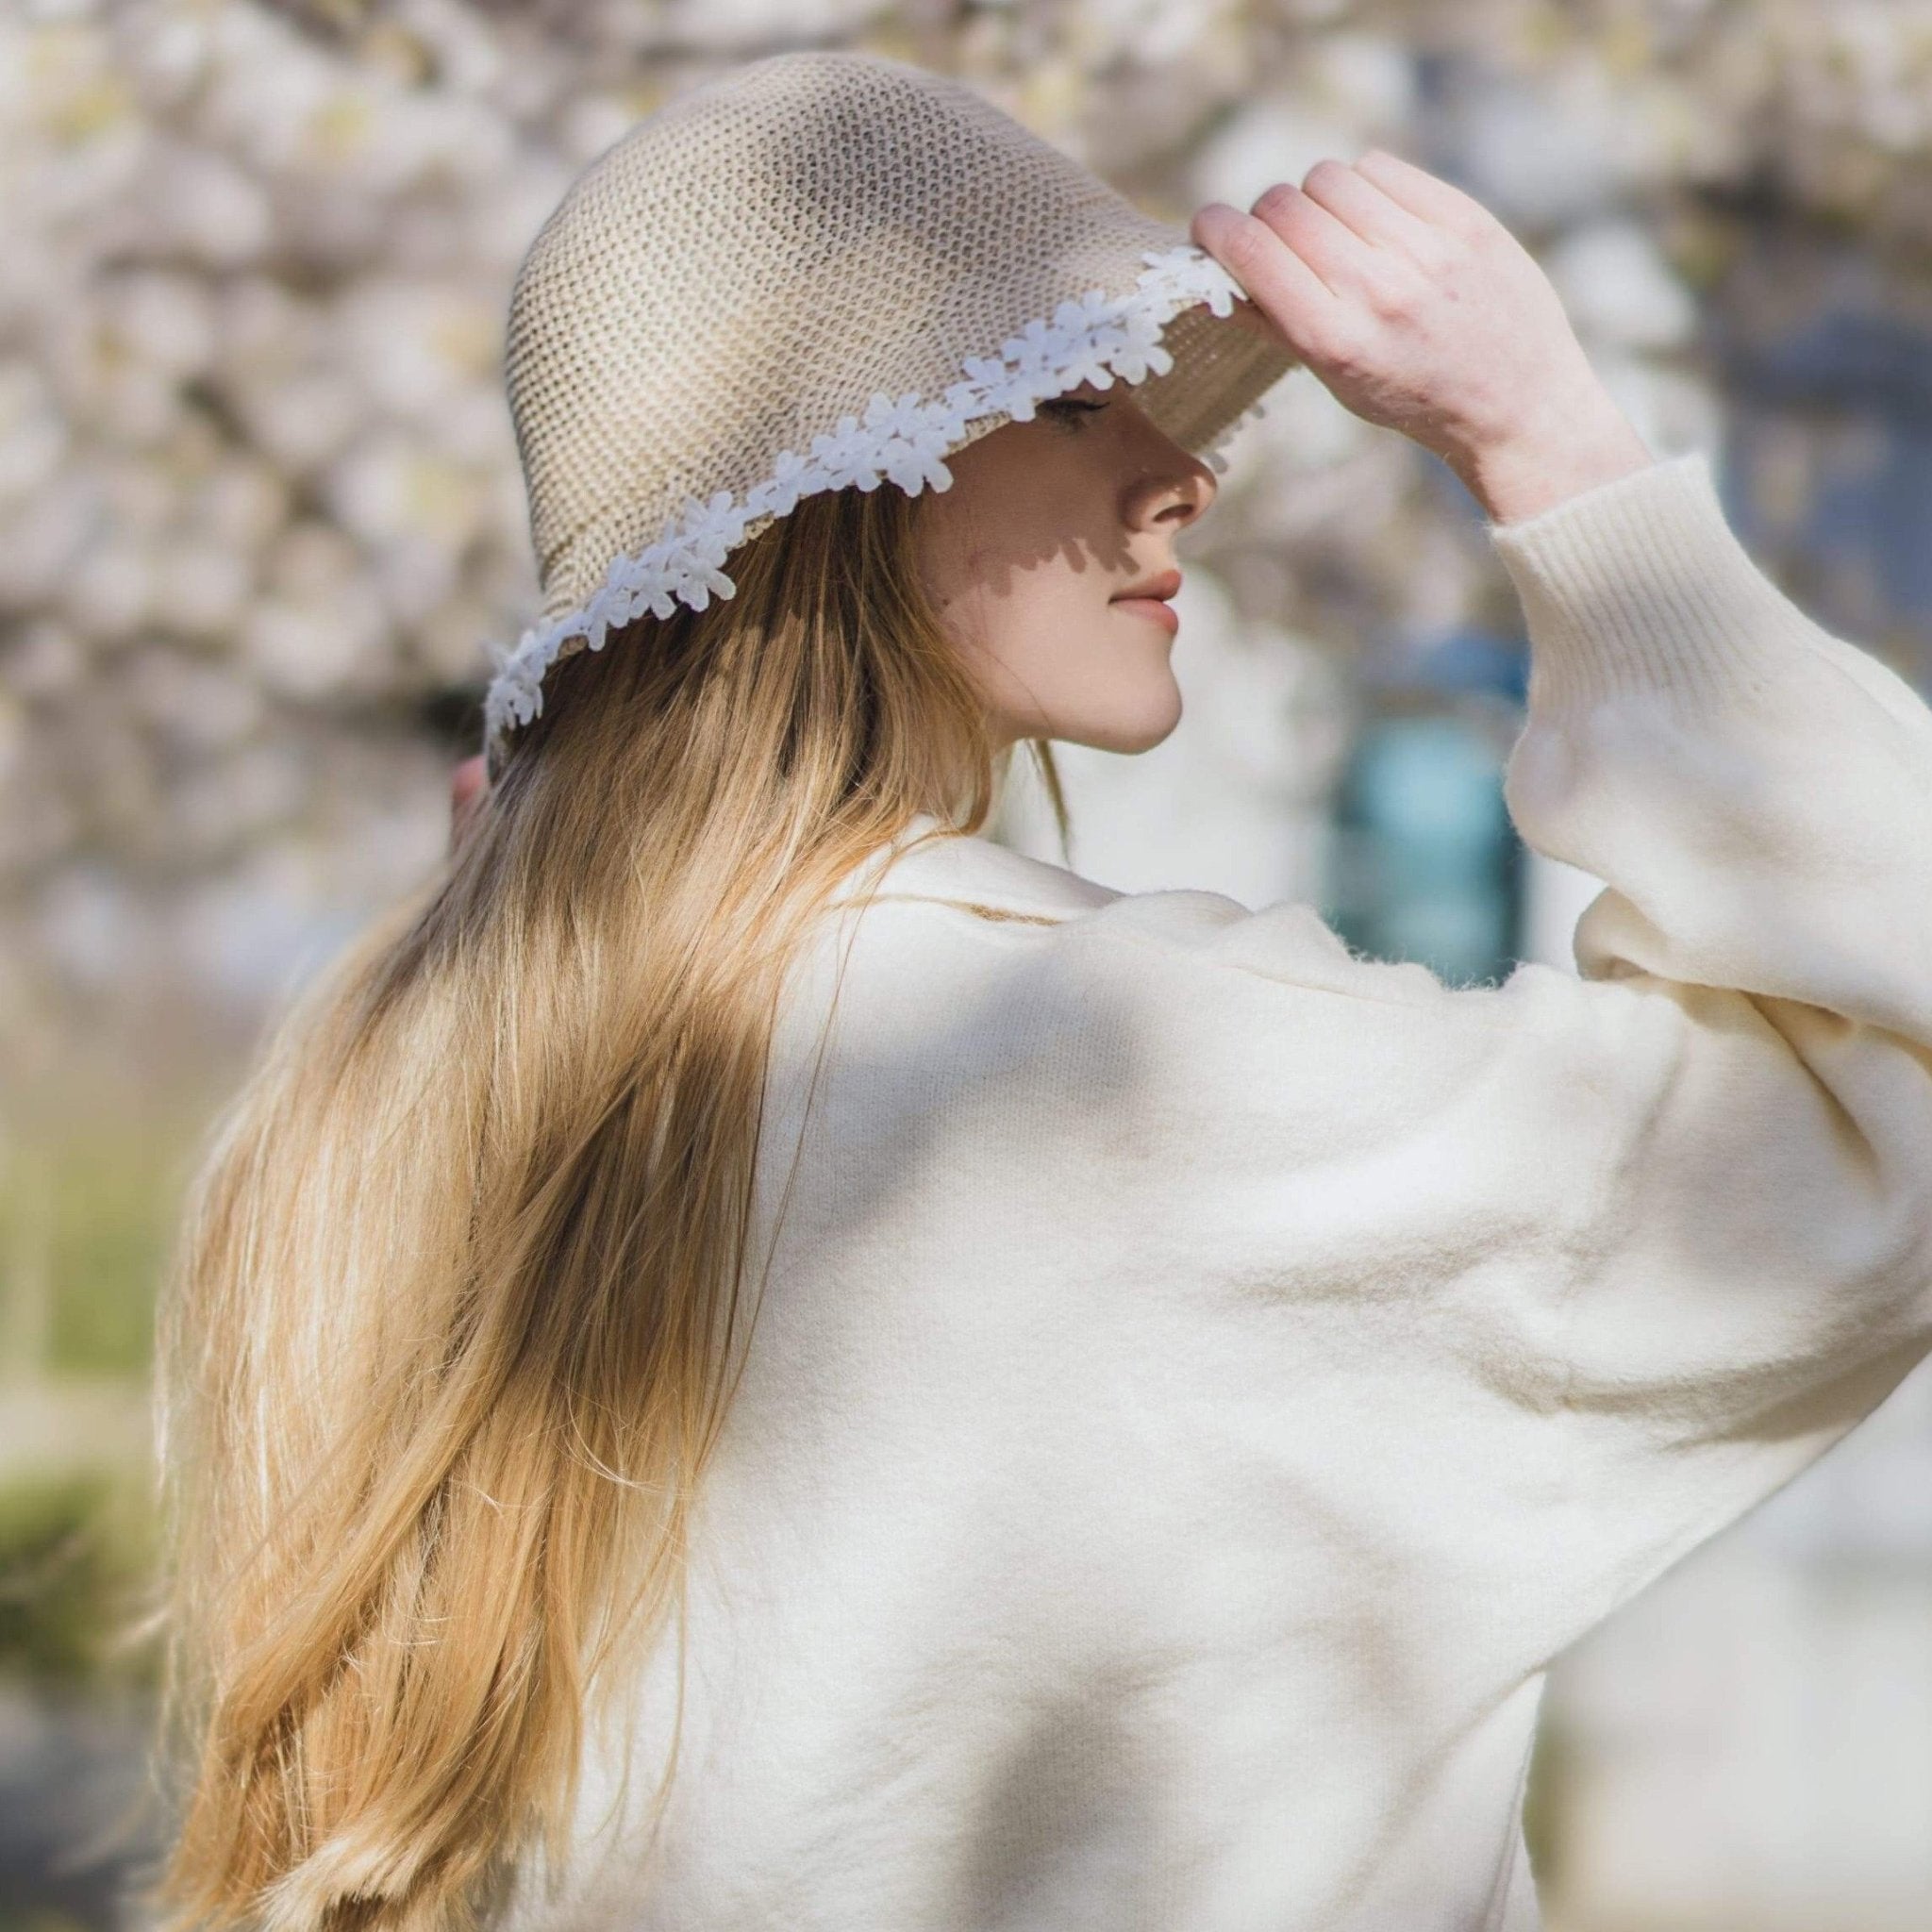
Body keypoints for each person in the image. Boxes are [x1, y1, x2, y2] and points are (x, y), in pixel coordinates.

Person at [148, 48, 1932, 1932]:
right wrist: (1561, 455)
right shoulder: (1120, 1081)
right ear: (835, 494)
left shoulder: (391, 1075)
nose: (1187, 470)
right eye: (1074, 396)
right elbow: (1886, 1086)